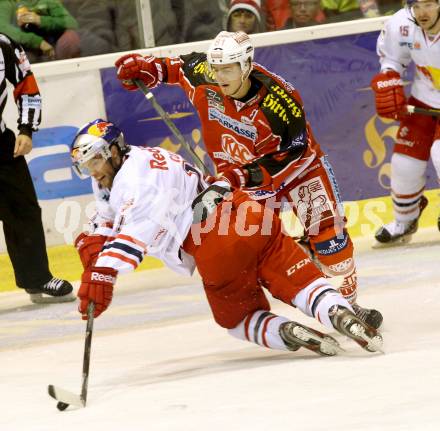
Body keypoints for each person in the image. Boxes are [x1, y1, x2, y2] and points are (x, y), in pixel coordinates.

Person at [114, 31, 384, 329]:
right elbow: (175, 67)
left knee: (334, 249)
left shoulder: (279, 100)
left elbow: (291, 153)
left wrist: (235, 176)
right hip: (244, 183)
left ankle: (347, 304)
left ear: (246, 66)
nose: (219, 76)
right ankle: (304, 268)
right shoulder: (206, 74)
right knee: (253, 246)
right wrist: (145, 67)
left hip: (298, 171)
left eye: (228, 69)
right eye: (216, 68)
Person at [70, 119, 383, 356]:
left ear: (112, 151)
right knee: (303, 282)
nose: (93, 172)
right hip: (250, 214)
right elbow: (108, 214)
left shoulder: (138, 183)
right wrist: (92, 243)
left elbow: (132, 241)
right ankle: (336, 311)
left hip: (213, 240)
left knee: (238, 320)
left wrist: (101, 274)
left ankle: (286, 331)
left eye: (94, 162)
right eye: (86, 167)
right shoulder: (138, 158)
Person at [0, 33, 74, 303]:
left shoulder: (3, 45)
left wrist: (26, 128)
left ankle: (36, 278)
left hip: (1, 144)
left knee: (23, 210)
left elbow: (26, 84)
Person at [370, 0, 440, 245]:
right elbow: (392, 59)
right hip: (423, 101)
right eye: (416, 5)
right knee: (404, 164)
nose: (422, 12)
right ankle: (405, 219)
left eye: (429, 4)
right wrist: (390, 77)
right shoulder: (402, 24)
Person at [0, 0, 80, 62]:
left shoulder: (48, 2)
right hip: (24, 47)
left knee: (71, 37)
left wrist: (40, 20)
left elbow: (71, 22)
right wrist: (37, 42)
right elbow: (3, 28)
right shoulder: (7, 2)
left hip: (53, 44)